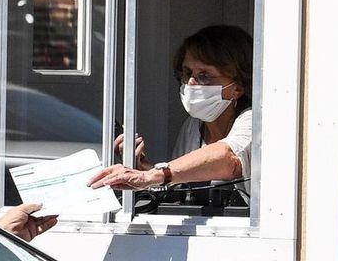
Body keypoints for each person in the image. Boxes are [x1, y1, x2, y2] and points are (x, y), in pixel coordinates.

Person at [89, 24, 253, 198]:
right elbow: (179, 183)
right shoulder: (193, 126)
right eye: (187, 72)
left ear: (238, 87)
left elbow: (228, 158)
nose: (190, 83)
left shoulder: (255, 121)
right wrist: (142, 168)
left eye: (204, 76)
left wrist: (154, 175)